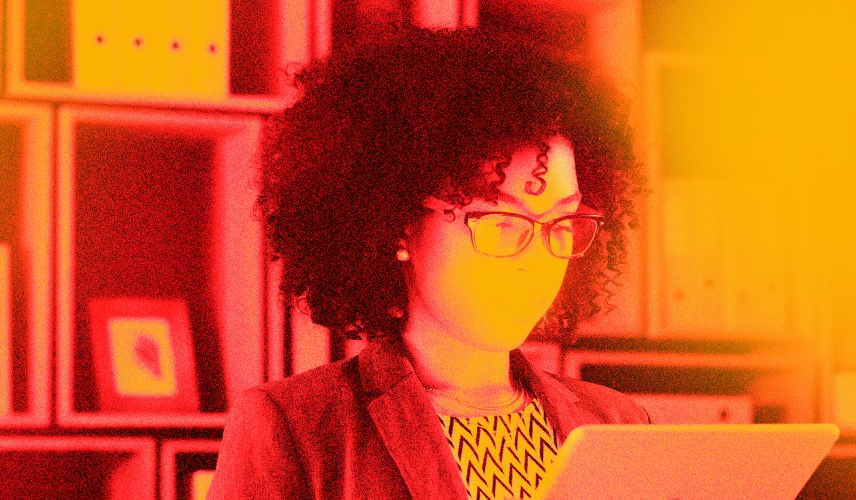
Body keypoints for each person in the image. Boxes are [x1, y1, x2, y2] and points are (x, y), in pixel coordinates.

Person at [208, 21, 649, 500]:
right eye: (501, 223)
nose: (538, 260)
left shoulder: (618, 424)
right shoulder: (297, 430)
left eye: (562, 223)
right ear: (398, 223)